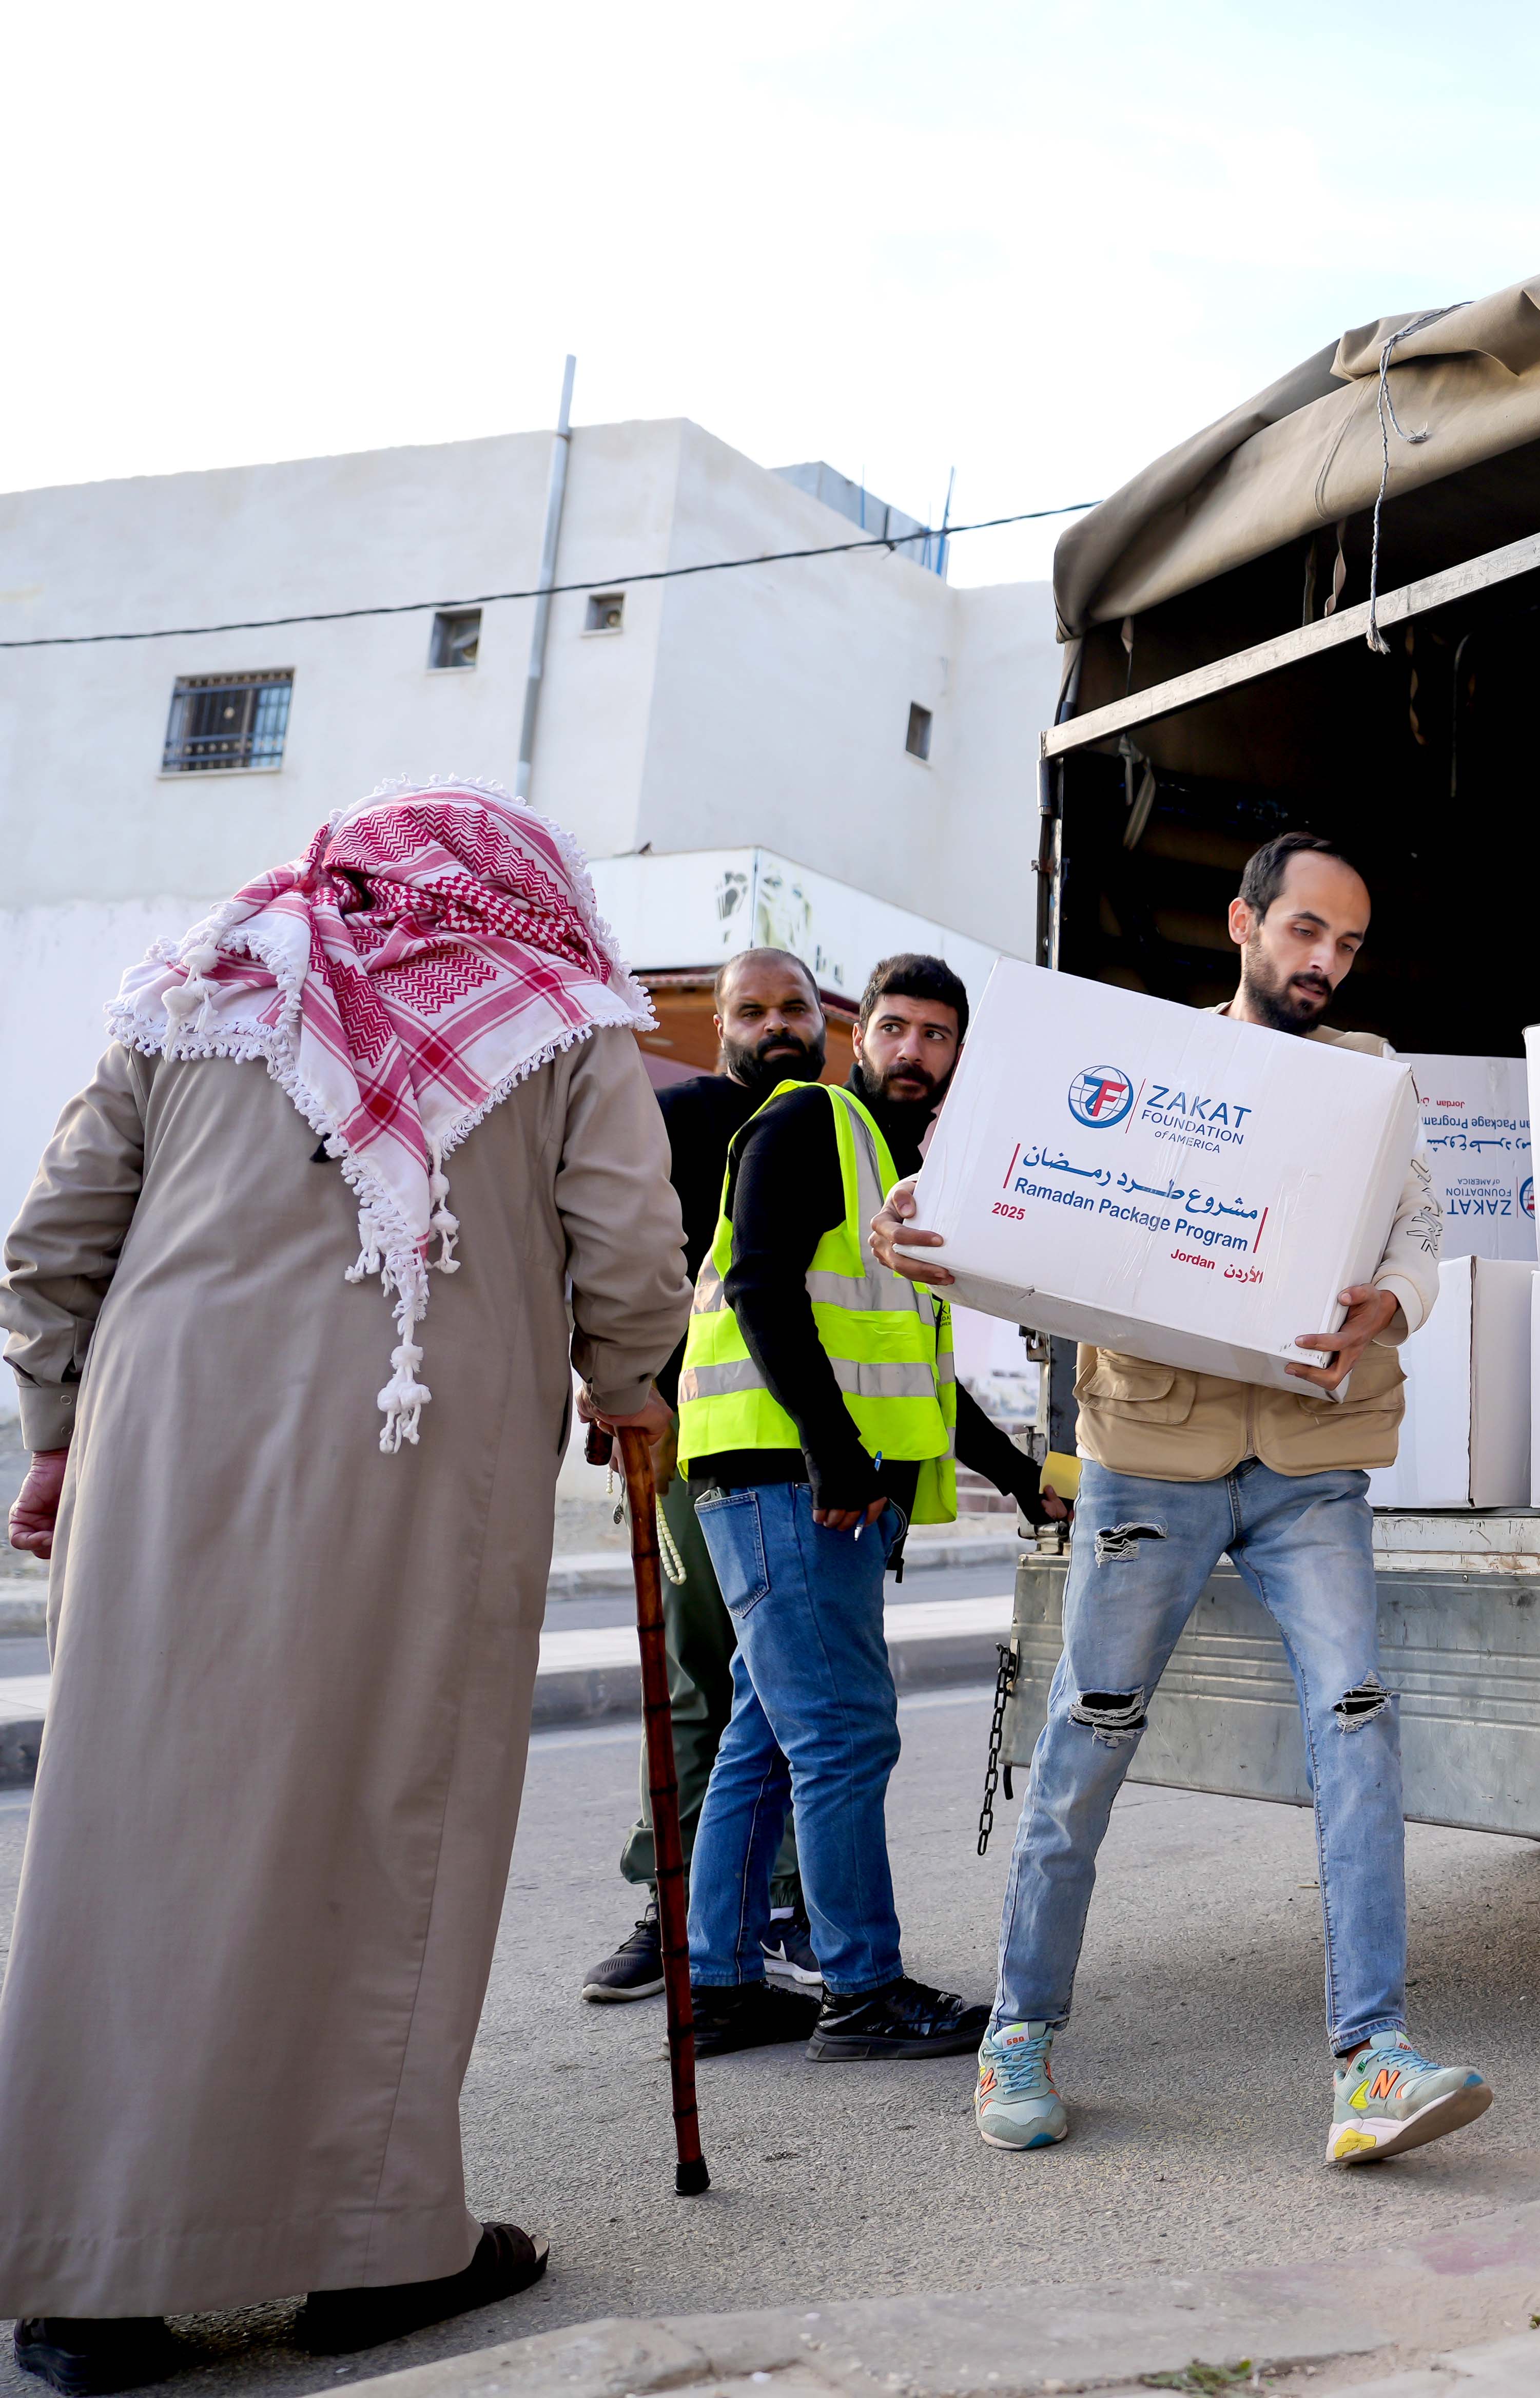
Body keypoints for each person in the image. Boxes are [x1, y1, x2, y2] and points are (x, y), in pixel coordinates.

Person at [0, 783, 687, 2394]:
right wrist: (630, 1386)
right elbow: (631, 1246)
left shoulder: (203, 981)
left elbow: (51, 1240)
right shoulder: (559, 1009)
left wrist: (52, 1434)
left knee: (134, 1829)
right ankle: (369, 2248)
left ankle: (90, 2285)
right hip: (413, 1473)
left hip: (162, 1462)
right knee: (377, 1828)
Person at [870, 831, 1481, 2164]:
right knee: (1091, 1730)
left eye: (1350, 944)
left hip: (1313, 1460)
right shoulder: (1148, 1062)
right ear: (1244, 925)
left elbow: (1420, 1236)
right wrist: (917, 1220)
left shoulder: (1374, 1082)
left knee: (1359, 1719)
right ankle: (1018, 2033)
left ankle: (1371, 2060)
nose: (1326, 962)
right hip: (1154, 1451)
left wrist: (1397, 1299)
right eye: (1306, 931)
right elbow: (1008, 1203)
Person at [673, 953, 1065, 2063]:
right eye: (897, 1028)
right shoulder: (808, 1126)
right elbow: (757, 1288)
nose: (916, 1051)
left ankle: (720, 1981)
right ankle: (862, 1986)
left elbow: (918, 1371)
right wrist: (839, 1457)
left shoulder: (907, 1175)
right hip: (789, 1480)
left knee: (767, 1731)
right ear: (863, 1037)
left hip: (798, 1483)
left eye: (939, 1036)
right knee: (845, 1732)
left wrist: (1020, 1470)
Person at [582, 947, 823, 2006]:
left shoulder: (844, 1130)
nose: (776, 1024)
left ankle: (793, 1907)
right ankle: (673, 1903)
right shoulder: (673, 1122)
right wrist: (627, 1387)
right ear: (723, 1023)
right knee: (697, 1676)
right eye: (754, 1009)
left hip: (817, 1453)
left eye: (795, 1006)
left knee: (807, 1692)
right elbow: (607, 1255)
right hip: (691, 1440)